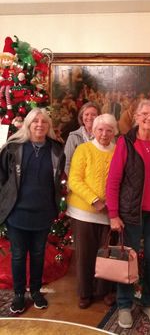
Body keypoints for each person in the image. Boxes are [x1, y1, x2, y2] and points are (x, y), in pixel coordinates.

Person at [106, 99, 150, 329]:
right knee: (128, 260)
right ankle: (125, 305)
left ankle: (148, 302)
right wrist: (113, 214)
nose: (149, 118)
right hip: (130, 214)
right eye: (144, 114)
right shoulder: (125, 143)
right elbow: (114, 181)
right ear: (136, 117)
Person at [0, 108, 65, 313]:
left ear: (49, 126)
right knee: (18, 255)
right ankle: (19, 294)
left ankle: (36, 291)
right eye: (35, 121)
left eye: (43, 122)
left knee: (38, 255)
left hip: (43, 214)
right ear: (28, 125)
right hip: (17, 214)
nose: (39, 125)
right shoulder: (13, 148)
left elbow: (58, 180)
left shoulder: (56, 149)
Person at [66, 113, 118, 309]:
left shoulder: (118, 151)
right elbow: (74, 180)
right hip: (84, 212)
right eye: (100, 129)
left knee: (106, 253)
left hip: (109, 213)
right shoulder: (83, 149)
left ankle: (104, 291)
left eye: (109, 130)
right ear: (93, 131)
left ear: (114, 132)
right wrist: (94, 200)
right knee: (85, 254)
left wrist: (112, 207)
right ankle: (85, 293)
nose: (104, 134)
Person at [64, 101, 101, 175]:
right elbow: (67, 163)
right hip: (77, 183)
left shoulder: (104, 136)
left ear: (99, 117)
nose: (89, 117)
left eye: (93, 114)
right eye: (86, 114)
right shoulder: (73, 137)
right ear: (82, 117)